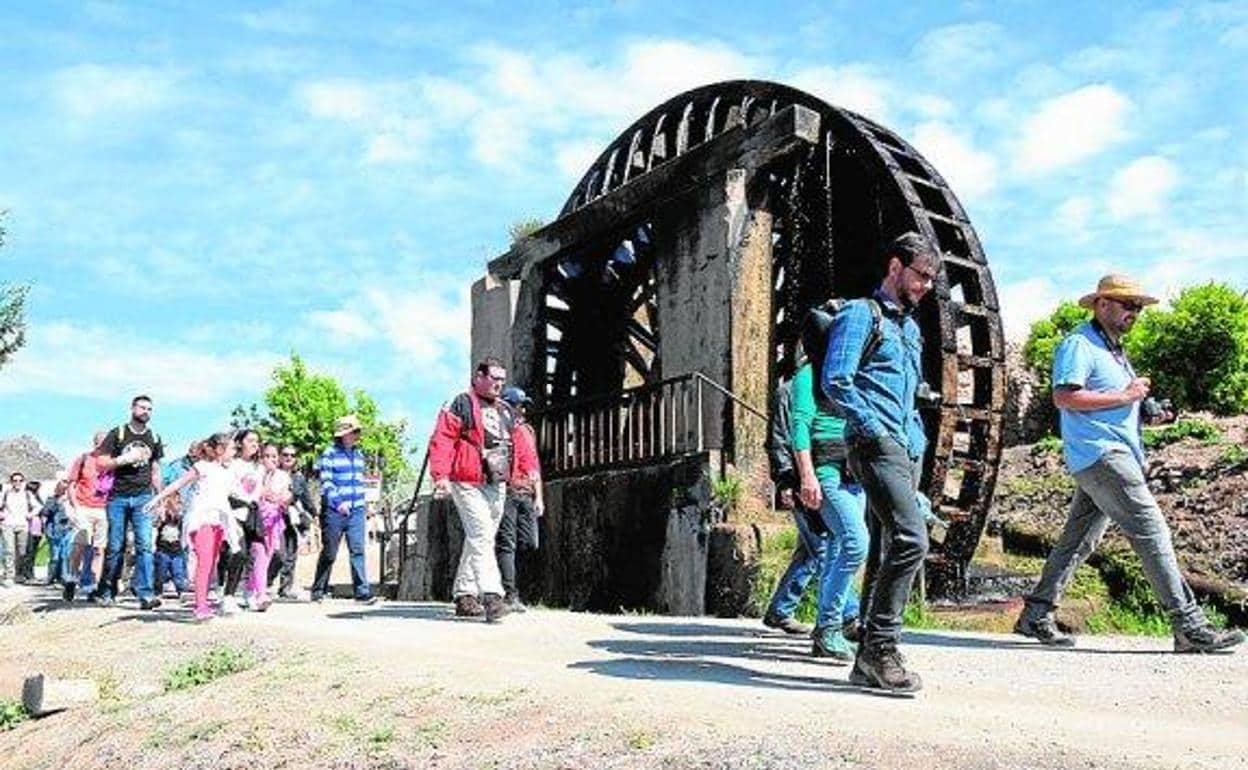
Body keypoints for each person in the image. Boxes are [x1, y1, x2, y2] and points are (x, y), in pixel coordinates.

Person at [1014, 274, 1244, 654]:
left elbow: (1116, 402)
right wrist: (1125, 395)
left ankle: (1037, 613)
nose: (1134, 312)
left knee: (1078, 541)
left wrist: (1143, 410)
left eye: (1137, 306)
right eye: (1127, 305)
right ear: (1102, 304)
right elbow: (1064, 398)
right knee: (1152, 532)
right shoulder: (1078, 344)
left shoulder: (1114, 350)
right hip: (1102, 456)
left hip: (1110, 454)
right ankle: (1188, 624)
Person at [823, 231, 940, 693]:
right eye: (920, 276)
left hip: (907, 447)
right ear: (895, 267)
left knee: (886, 546)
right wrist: (872, 427)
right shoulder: (859, 314)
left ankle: (866, 658)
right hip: (876, 444)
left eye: (931, 280)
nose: (926, 286)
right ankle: (881, 648)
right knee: (914, 539)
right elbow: (837, 380)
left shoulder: (910, 329)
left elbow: (908, 391)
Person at [428, 357, 537, 622]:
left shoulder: (505, 410)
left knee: (481, 537)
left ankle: (464, 595)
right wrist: (440, 475)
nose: (498, 384)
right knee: (481, 535)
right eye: (493, 378)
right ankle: (493, 596)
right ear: (478, 377)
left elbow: (518, 443)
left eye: (502, 379)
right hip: (466, 481)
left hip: (497, 482)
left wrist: (528, 469)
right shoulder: (462, 403)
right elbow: (442, 438)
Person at [791, 351, 868, 661]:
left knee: (837, 548)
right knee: (857, 543)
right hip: (826, 470)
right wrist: (806, 475)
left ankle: (827, 632)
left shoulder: (852, 372)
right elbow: (800, 425)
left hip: (854, 471)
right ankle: (829, 628)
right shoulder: (808, 374)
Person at [145, 432, 237, 622]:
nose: (234, 451)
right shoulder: (202, 467)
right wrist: (157, 498)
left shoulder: (228, 471)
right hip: (200, 519)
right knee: (204, 560)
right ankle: (200, 606)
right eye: (231, 448)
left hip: (218, 520)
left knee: (211, 561)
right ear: (220, 450)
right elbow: (178, 483)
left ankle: (203, 600)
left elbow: (236, 493)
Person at [760, 373, 821, 637]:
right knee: (824, 548)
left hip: (821, 479)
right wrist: (785, 481)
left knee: (809, 551)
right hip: (800, 481)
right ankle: (849, 615)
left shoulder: (823, 387)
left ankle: (780, 610)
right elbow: (778, 440)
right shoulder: (789, 392)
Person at [91, 395, 165, 610]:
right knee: (115, 545)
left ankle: (146, 593)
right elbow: (100, 462)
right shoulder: (119, 433)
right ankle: (107, 591)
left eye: (149, 409)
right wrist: (123, 459)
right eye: (142, 407)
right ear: (132, 408)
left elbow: (156, 469)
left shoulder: (154, 437)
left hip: (143, 496)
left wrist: (160, 498)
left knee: (145, 545)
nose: (146, 412)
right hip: (118, 497)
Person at [310, 415, 376, 604]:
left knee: (358, 549)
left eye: (357, 431)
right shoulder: (329, 453)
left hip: (357, 510)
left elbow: (360, 482)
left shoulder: (359, 455)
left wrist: (367, 505)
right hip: (334, 511)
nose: (357, 435)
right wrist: (339, 502)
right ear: (343, 434)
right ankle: (318, 589)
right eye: (353, 431)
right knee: (330, 552)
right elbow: (327, 482)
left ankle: (362, 592)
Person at [495, 387, 543, 613]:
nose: (521, 410)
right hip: (506, 491)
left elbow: (534, 465)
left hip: (526, 492)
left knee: (530, 543)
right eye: (517, 405)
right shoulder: (500, 432)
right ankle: (510, 594)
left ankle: (512, 587)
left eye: (523, 406)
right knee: (507, 543)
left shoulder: (527, 431)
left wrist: (539, 497)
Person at [64, 431, 111, 601]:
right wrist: (75, 506)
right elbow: (71, 484)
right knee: (79, 547)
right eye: (99, 442)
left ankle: (93, 587)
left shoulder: (112, 462)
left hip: (104, 509)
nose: (102, 445)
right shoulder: (83, 459)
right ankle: (71, 580)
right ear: (94, 443)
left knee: (99, 549)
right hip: (84, 507)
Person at [220, 429, 262, 612]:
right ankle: (227, 595)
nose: (254, 444)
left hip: (252, 514)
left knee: (252, 555)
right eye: (250, 440)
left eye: (257, 441)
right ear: (240, 443)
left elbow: (257, 492)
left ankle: (249, 594)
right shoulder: (232, 464)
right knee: (238, 553)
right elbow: (227, 490)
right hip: (234, 512)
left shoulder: (258, 467)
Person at [268, 445, 316, 599]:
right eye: (285, 454)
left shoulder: (299, 478)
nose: (289, 458)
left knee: (291, 554)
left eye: (292, 455)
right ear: (280, 457)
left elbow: (306, 498)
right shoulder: (271, 474)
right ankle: (266, 581)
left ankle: (285, 588)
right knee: (278, 553)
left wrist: (314, 514)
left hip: (292, 519)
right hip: (274, 517)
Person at [247, 444, 291, 612]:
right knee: (260, 555)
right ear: (260, 457)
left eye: (274, 456)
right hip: (256, 519)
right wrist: (265, 492)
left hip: (274, 520)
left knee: (269, 556)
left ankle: (251, 590)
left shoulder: (282, 475)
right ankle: (261, 595)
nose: (271, 459)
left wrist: (281, 498)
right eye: (267, 456)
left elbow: (284, 495)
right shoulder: (255, 472)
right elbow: (253, 492)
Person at [0, 471, 39, 586]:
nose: (17, 482)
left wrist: (31, 515)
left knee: (22, 552)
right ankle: (9, 575)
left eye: (20, 480)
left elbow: (38, 506)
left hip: (23, 525)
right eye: (15, 480)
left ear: (23, 482)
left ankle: (19, 573)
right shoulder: (5, 493)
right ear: (11, 482)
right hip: (8, 524)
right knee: (9, 550)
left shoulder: (27, 494)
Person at [152, 495, 190, 598]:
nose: (175, 507)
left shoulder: (180, 518)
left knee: (178, 573)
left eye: (178, 503)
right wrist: (163, 507)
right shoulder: (163, 518)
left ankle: (181, 591)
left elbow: (185, 522)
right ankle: (157, 592)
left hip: (177, 551)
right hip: (163, 550)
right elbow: (156, 522)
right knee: (160, 573)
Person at [41, 477, 75, 586]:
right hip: (55, 531)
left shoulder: (73, 499)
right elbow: (45, 512)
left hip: (69, 529)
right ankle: (51, 577)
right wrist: (57, 502)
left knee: (66, 554)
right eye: (64, 488)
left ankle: (64, 578)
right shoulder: (52, 499)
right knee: (55, 556)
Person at [20, 480, 45, 582]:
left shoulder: (36, 498)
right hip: (31, 527)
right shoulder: (28, 497)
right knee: (29, 552)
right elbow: (38, 509)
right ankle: (27, 573)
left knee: (33, 552)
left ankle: (30, 573)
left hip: (37, 528)